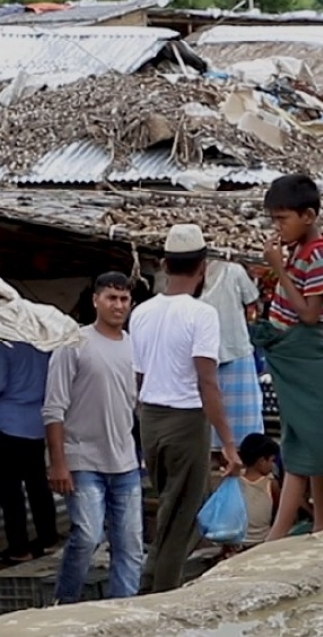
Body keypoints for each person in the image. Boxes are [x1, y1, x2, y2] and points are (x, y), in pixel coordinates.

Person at [130, 224, 241, 593]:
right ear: (203, 267)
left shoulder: (142, 312)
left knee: (169, 510)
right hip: (185, 420)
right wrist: (228, 442)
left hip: (151, 420)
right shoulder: (202, 314)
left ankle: (149, 585)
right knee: (182, 518)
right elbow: (207, 381)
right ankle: (159, 596)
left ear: (163, 264)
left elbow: (139, 377)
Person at [256, 174, 323, 538]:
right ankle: (322, 524)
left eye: (282, 219)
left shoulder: (316, 255)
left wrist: (279, 269)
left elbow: (310, 314)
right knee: (308, 442)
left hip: (306, 354)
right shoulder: (301, 249)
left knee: (307, 443)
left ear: (308, 215)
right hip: (293, 357)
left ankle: (278, 535)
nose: (277, 227)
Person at [43, 272, 143, 603]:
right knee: (87, 536)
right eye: (111, 298)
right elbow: (53, 408)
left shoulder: (135, 346)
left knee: (129, 545)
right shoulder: (74, 344)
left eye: (124, 299)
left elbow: (139, 403)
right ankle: (64, 603)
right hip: (82, 458)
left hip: (125, 461)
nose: (118, 305)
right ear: (95, 300)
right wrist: (58, 462)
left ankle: (123, 613)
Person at [0, 341, 58, 564]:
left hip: (8, 423)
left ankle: (19, 548)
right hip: (36, 422)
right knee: (38, 485)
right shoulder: (43, 345)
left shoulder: (5, 345)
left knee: (10, 490)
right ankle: (49, 539)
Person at [200, 260, 264, 455]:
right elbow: (252, 300)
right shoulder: (234, 270)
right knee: (244, 431)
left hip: (206, 355)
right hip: (236, 352)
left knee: (208, 424)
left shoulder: (190, 273)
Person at [236, 433, 280, 549]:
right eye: (271, 461)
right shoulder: (270, 484)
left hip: (236, 543)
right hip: (262, 543)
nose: (273, 465)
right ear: (262, 461)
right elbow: (278, 513)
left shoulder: (233, 482)